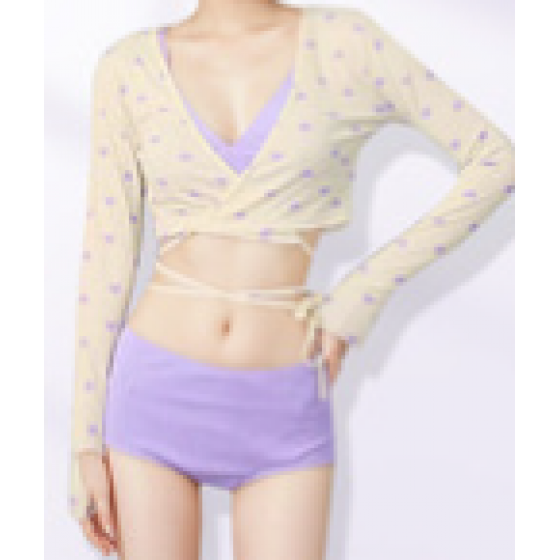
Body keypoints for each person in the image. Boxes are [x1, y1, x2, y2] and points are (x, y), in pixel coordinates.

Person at [68, 1, 515, 558]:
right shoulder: (128, 67)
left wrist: (362, 292)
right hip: (153, 397)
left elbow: (496, 161)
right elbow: (106, 255)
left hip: (282, 408)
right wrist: (84, 442)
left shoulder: (345, 44)